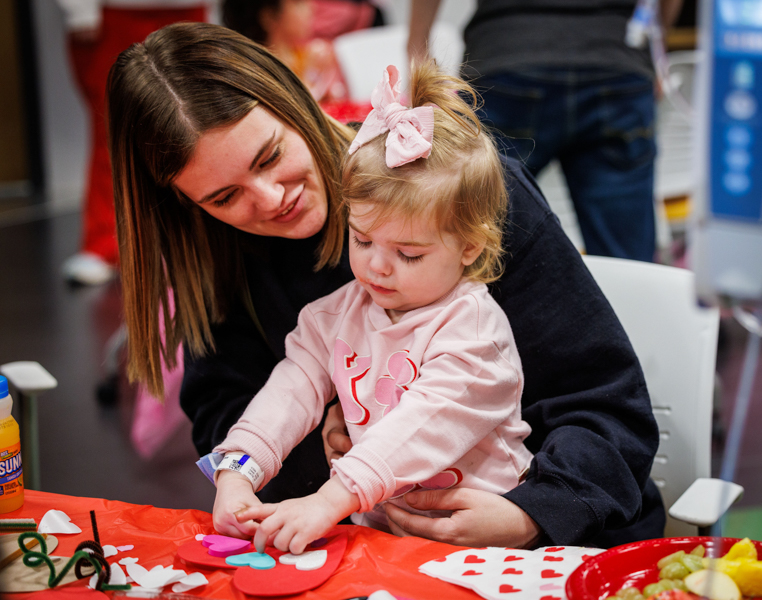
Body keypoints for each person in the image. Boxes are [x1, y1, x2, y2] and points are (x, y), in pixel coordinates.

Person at [108, 22, 665, 549]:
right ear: (189, 205)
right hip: (373, 538)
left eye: (272, 156)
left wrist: (531, 513)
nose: (270, 198)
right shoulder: (319, 304)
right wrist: (259, 462)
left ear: (293, 102)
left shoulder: (452, 192)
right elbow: (253, 402)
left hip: (550, 535)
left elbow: (604, 403)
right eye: (224, 198)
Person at [209, 63, 534, 554]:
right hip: (382, 538)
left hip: (486, 550)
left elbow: (423, 422)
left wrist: (330, 498)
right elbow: (289, 393)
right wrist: (238, 470)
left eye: (409, 254)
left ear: (469, 246)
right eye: (361, 240)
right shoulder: (334, 315)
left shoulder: (474, 332)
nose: (377, 268)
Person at [408, 0, 684, 263]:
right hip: (615, 59)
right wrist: (655, 49)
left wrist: (417, 49)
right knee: (627, 263)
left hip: (509, 58)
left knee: (475, 252)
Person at [55, 0, 210, 285]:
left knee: (195, 121)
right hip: (115, 12)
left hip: (190, 8)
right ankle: (104, 244)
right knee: (112, 126)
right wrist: (79, 10)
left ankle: (197, 241)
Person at [222, 0, 347, 103]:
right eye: (298, 2)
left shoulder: (308, 56)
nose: (311, 7)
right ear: (269, 16)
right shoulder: (256, 75)